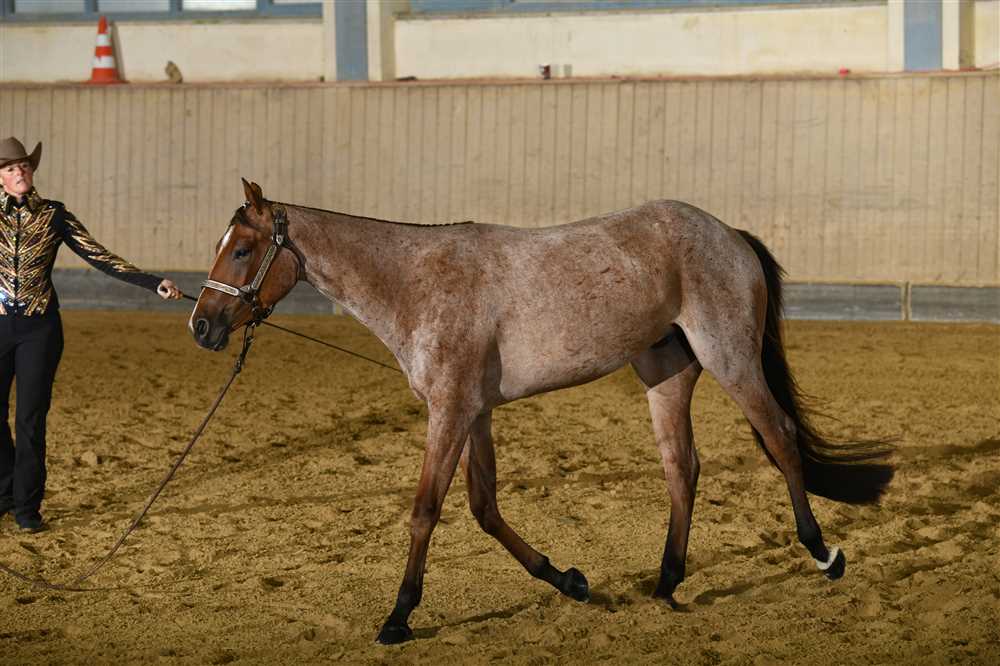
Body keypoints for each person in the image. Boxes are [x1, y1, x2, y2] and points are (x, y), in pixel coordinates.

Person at [0, 136, 181, 533]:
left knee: (30, 420)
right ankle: (5, 491)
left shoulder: (54, 214)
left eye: (24, 165)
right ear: (1, 178)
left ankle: (26, 508)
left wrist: (152, 282)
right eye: (11, 168)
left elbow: (98, 255)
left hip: (39, 330)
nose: (19, 172)